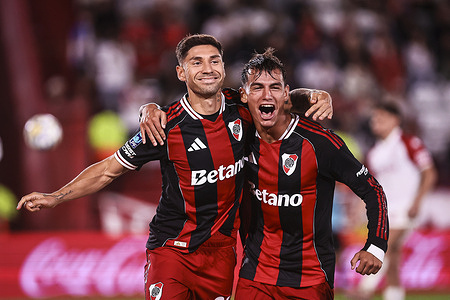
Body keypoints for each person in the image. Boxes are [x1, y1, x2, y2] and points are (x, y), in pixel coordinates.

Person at [17, 34, 332, 300]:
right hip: (172, 251)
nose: (208, 68)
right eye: (197, 62)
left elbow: (286, 100)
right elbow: (108, 169)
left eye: (214, 61)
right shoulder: (165, 126)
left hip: (221, 255)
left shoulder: (242, 107)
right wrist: (57, 196)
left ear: (224, 68)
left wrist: (315, 94)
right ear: (181, 73)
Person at [234, 48, 388, 299]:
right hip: (255, 277)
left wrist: (376, 246)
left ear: (286, 93)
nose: (266, 95)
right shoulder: (238, 133)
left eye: (275, 87)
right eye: (257, 87)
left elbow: (373, 191)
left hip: (310, 279)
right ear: (243, 94)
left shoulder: (320, 143)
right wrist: (151, 108)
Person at [357, 102, 437, 300]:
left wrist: (417, 202)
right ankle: (394, 296)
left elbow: (429, 173)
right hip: (385, 210)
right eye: (374, 118)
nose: (375, 122)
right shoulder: (374, 152)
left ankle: (364, 289)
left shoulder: (410, 143)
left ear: (395, 120)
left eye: (380, 118)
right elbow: (371, 185)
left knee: (383, 244)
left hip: (407, 208)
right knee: (392, 257)